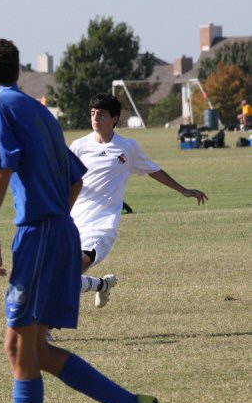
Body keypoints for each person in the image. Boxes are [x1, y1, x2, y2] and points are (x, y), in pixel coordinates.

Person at [0, 38, 159, 403]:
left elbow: (3, 165)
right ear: (17, 72)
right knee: (33, 349)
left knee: (17, 347)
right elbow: (76, 177)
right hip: (61, 230)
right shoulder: (39, 110)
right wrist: (56, 214)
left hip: (37, 234)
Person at [69, 93, 208, 308]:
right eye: (93, 113)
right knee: (59, 276)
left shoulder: (127, 147)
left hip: (101, 224)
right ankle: (101, 285)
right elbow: (62, 178)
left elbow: (154, 170)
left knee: (71, 271)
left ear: (114, 118)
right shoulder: (78, 146)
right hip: (73, 222)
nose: (95, 118)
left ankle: (46, 329)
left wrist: (184, 190)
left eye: (102, 114)